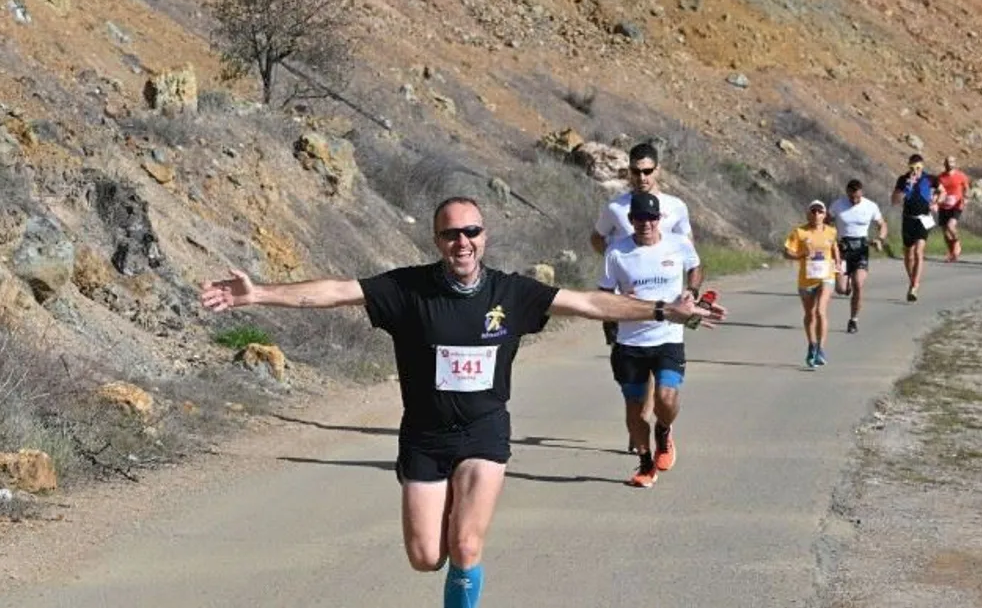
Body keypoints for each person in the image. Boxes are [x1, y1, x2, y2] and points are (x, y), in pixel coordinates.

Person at [199, 196, 723, 608]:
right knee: (426, 556)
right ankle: (447, 533)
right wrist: (260, 294)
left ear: (484, 238)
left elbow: (589, 302)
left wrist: (662, 309)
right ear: (437, 240)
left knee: (466, 547)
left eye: (471, 231)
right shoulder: (408, 289)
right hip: (425, 438)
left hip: (484, 435)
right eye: (451, 233)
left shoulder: (512, 293)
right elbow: (335, 291)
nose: (462, 241)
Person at [588, 141, 701, 450]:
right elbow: (597, 238)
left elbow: (687, 248)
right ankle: (640, 421)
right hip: (627, 297)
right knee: (636, 356)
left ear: (657, 170)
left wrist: (688, 292)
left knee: (658, 357)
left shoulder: (675, 206)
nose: (642, 178)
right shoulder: (615, 208)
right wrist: (618, 266)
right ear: (629, 173)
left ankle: (654, 422)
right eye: (635, 172)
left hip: (666, 298)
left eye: (647, 171)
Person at [600, 192, 703, 488]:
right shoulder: (617, 252)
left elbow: (695, 267)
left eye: (651, 218)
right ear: (631, 221)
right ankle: (645, 463)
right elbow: (602, 295)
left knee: (665, 399)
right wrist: (619, 300)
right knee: (634, 408)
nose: (645, 224)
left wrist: (692, 293)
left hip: (668, 338)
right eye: (639, 218)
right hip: (630, 342)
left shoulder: (678, 244)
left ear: (659, 220)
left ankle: (664, 431)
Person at [785, 200, 842, 369]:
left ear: (825, 215)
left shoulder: (831, 231)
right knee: (810, 314)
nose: (817, 215)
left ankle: (821, 350)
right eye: (813, 211)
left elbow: (834, 247)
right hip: (806, 279)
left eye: (820, 212)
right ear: (808, 214)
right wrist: (801, 255)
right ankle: (812, 345)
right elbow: (787, 252)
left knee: (820, 311)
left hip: (826, 276)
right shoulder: (800, 232)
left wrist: (838, 262)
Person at [827, 179, 887, 334]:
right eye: (852, 197)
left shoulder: (870, 206)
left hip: (861, 249)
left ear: (862, 193)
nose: (855, 200)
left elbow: (882, 224)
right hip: (842, 250)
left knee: (858, 284)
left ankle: (853, 320)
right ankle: (846, 287)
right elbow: (826, 222)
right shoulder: (838, 205)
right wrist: (828, 239)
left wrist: (879, 239)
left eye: (858, 198)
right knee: (840, 289)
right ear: (847, 193)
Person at [891, 153, 937, 302]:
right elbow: (895, 200)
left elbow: (942, 190)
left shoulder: (929, 179)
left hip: (923, 219)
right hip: (908, 219)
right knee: (908, 255)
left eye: (918, 168)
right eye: (912, 167)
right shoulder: (903, 180)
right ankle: (913, 281)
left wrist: (936, 201)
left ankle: (914, 286)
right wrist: (906, 187)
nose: (915, 171)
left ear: (922, 167)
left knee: (918, 251)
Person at [935, 155, 970, 262]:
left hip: (957, 205)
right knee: (945, 232)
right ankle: (952, 253)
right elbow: (937, 191)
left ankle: (957, 243)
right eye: (947, 162)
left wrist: (966, 197)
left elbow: (967, 188)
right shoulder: (940, 177)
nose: (949, 163)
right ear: (944, 164)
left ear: (955, 163)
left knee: (951, 226)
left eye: (951, 161)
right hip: (944, 206)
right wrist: (935, 201)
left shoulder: (961, 176)